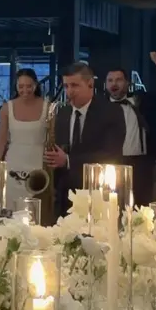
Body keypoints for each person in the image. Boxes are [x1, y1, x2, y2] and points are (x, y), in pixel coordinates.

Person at [45, 62, 126, 219]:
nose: (69, 91)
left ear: (90, 84)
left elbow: (111, 154)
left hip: (96, 193)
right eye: (66, 86)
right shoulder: (62, 113)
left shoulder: (111, 111)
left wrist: (68, 160)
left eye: (74, 85)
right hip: (64, 195)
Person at [105, 52, 156, 206]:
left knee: (142, 206)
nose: (114, 84)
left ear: (127, 83)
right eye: (110, 80)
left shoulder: (141, 100)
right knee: (112, 206)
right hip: (112, 164)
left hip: (141, 163)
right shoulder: (100, 107)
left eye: (118, 80)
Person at [0, 68, 48, 209]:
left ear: (36, 85)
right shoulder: (7, 108)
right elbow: (1, 140)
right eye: (21, 86)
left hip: (38, 165)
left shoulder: (47, 107)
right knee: (10, 208)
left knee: (34, 211)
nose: (25, 90)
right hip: (13, 164)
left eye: (29, 86)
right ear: (16, 86)